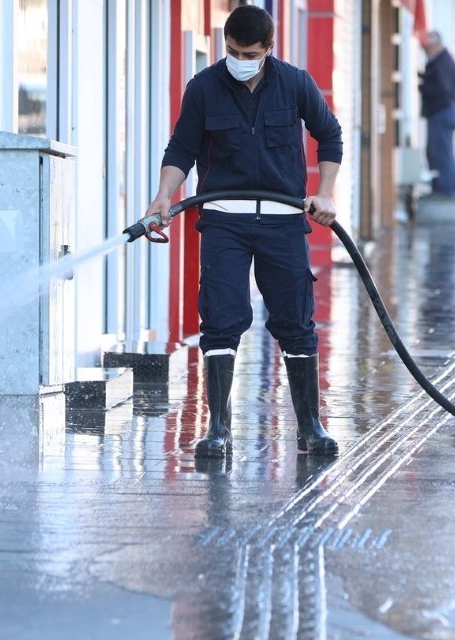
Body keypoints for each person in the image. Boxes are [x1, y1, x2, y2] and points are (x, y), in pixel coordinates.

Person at [143, 5, 343, 458]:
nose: (238, 59)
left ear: (268, 50)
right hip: (224, 222)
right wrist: (163, 196)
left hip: (282, 221)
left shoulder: (294, 84)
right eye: (231, 51)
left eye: (248, 53)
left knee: (295, 322)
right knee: (220, 319)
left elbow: (330, 136)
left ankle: (311, 428)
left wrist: (324, 193)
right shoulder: (205, 88)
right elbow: (182, 148)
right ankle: (218, 429)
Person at [419, 31, 455, 199]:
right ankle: (443, 189)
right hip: (444, 112)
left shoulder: (442, 62)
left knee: (441, 153)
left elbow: (442, 88)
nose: (425, 51)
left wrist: (423, 86)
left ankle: (445, 191)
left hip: (441, 112)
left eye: (427, 48)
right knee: (438, 151)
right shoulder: (443, 61)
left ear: (434, 46)